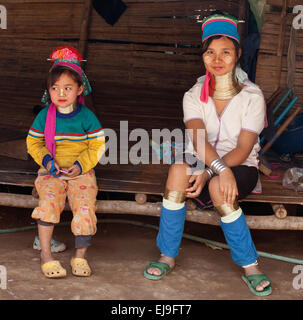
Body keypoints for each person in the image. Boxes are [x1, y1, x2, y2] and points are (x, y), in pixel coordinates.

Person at [144, 13, 272, 296]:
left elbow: (242, 148)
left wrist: (213, 171)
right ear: (203, 57)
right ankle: (167, 255)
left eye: (226, 52)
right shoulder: (193, 95)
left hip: (240, 165)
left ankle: (250, 265)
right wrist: (212, 168)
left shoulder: (252, 96)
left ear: (238, 54)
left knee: (216, 185)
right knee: (178, 170)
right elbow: (198, 140)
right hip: (203, 159)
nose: (218, 59)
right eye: (210, 52)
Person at [26, 46, 105, 278]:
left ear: (80, 89)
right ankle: (46, 256)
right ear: (48, 90)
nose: (61, 93)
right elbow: (34, 144)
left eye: (68, 88)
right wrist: (49, 163)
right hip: (51, 171)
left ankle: (80, 257)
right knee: (49, 200)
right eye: (55, 88)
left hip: (81, 171)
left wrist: (80, 166)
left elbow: (98, 145)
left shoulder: (87, 117)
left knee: (84, 205)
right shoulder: (44, 116)